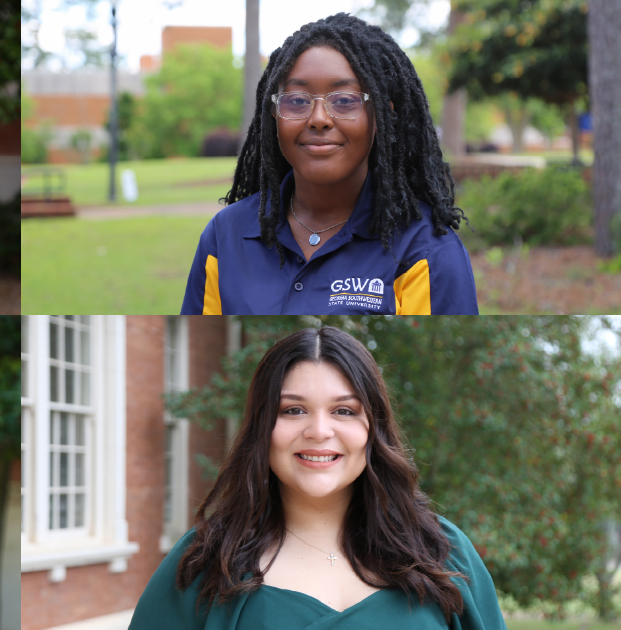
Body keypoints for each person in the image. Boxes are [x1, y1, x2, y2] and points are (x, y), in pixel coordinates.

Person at [130, 327, 505, 629]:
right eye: (294, 410)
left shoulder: (443, 551)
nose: (319, 430)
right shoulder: (207, 560)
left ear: (373, 430)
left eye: (343, 410)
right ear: (262, 427)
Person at [181, 13, 478, 315]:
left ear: (382, 116)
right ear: (274, 113)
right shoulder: (226, 235)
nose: (319, 119)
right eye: (296, 100)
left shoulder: (425, 250)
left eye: (345, 101)